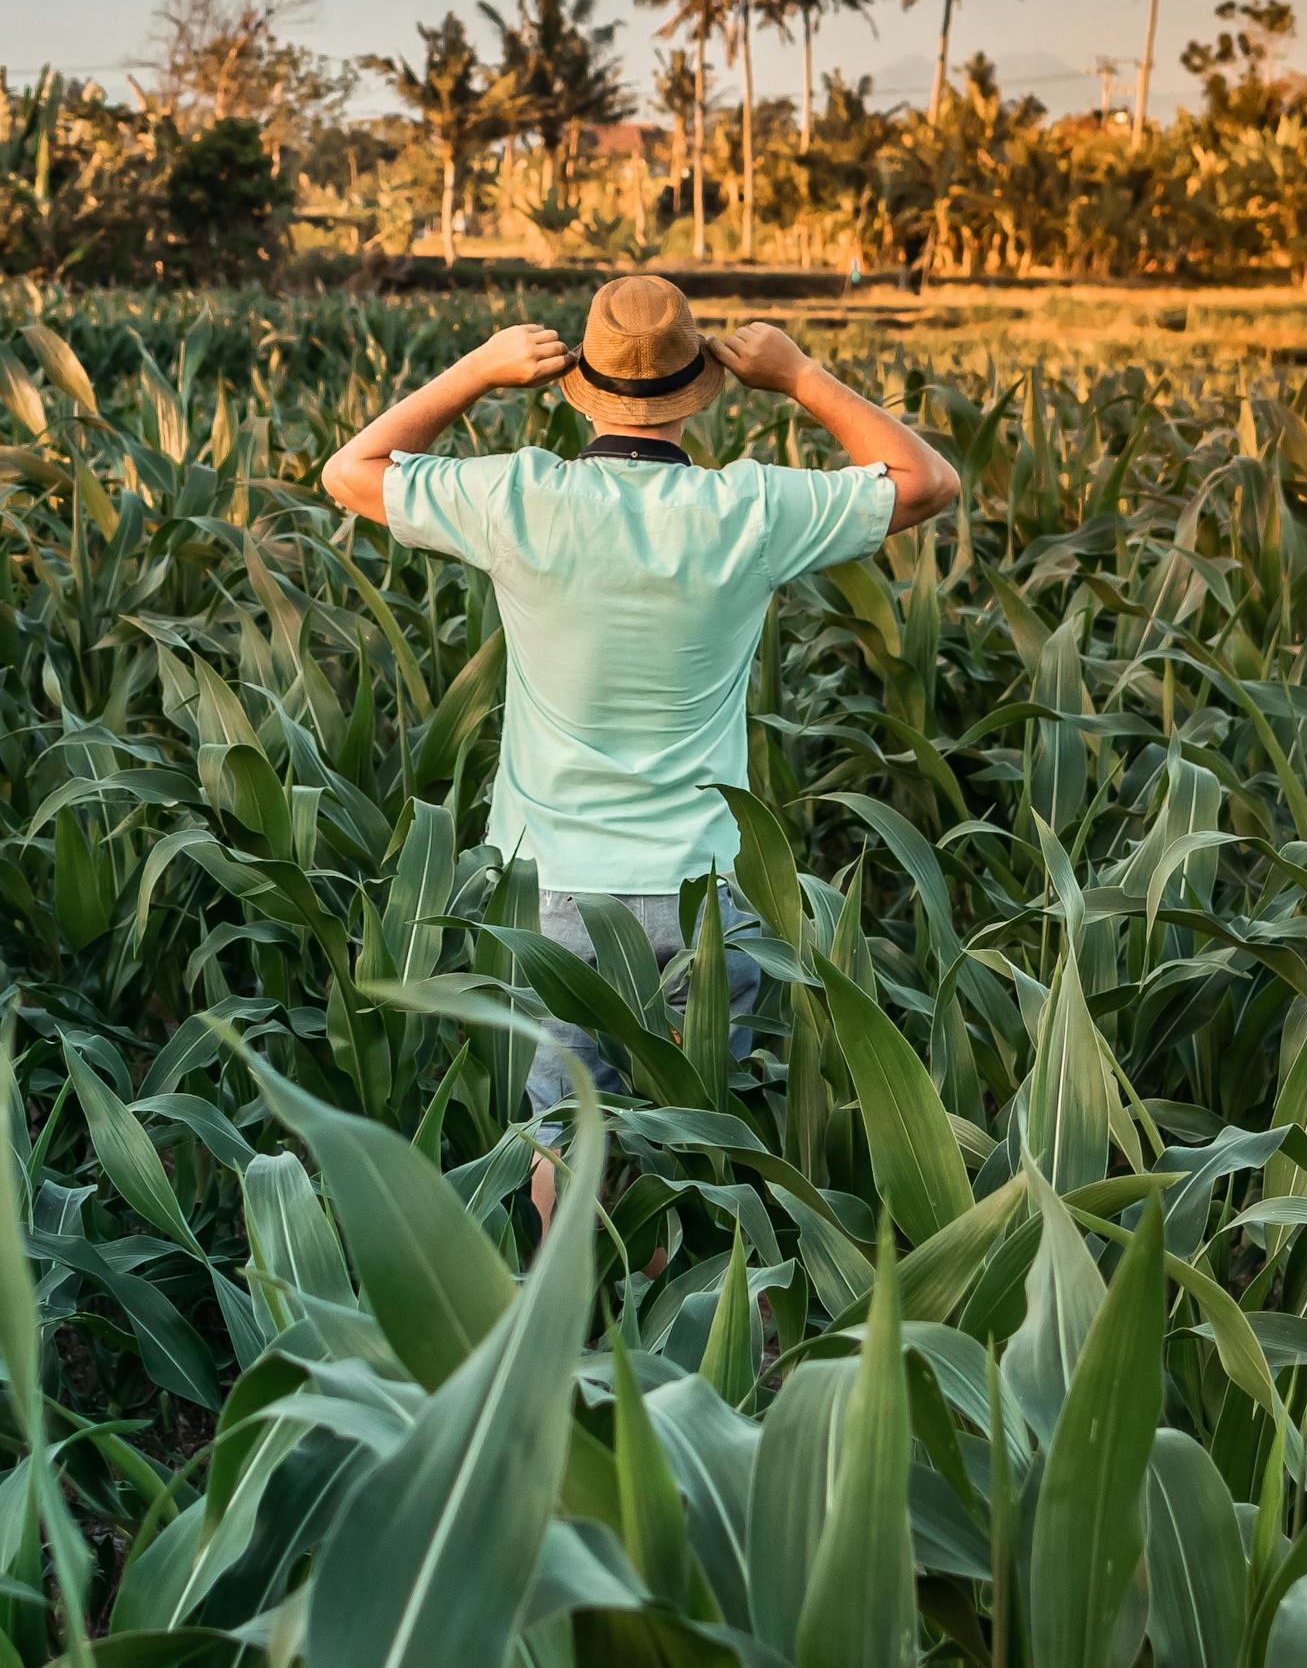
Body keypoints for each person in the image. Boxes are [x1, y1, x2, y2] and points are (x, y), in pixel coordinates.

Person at [322, 275, 960, 1226]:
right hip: (706, 887)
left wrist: (479, 371)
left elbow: (348, 471)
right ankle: (683, 1336)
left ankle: (569, 1331)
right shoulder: (747, 510)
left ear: (578, 377)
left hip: (554, 887)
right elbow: (929, 483)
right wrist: (800, 377)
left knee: (559, 1132)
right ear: (696, 383)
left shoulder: (517, 495)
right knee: (695, 1135)